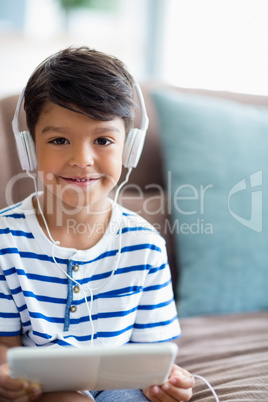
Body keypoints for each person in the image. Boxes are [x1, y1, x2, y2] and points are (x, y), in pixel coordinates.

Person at [0, 46, 194, 401]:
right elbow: (3, 347)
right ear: (28, 148)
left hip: (119, 387)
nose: (82, 159)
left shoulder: (145, 245)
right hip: (44, 388)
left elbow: (155, 356)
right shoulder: (6, 242)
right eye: (59, 140)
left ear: (129, 149)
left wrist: (168, 382)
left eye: (103, 140)